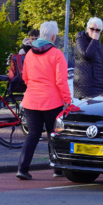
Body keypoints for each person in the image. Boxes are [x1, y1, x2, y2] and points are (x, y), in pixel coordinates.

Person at [17, 21, 72, 180]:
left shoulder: (30, 53)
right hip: (51, 102)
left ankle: (22, 168)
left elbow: (25, 77)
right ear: (53, 36)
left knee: (33, 134)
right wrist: (67, 101)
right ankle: (57, 169)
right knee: (52, 134)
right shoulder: (57, 54)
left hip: (31, 101)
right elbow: (61, 81)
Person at [73, 17, 103, 99]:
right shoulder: (81, 40)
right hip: (86, 88)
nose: (94, 32)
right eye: (92, 29)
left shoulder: (97, 44)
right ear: (87, 28)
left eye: (97, 30)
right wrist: (94, 40)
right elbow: (86, 55)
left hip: (99, 86)